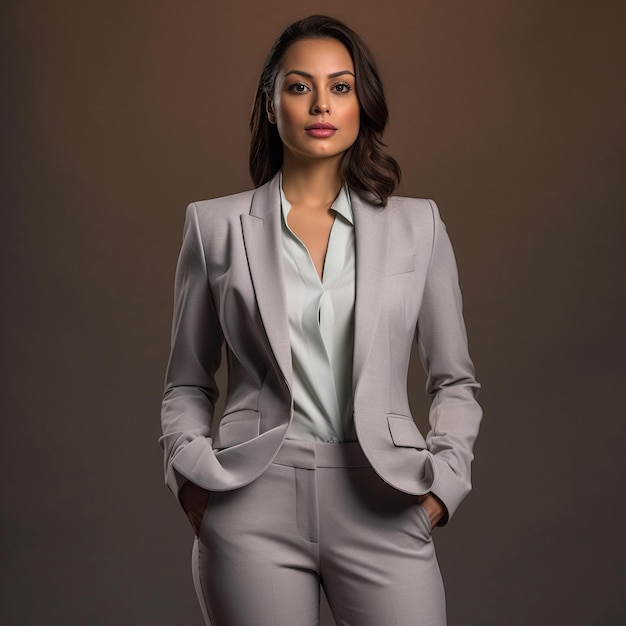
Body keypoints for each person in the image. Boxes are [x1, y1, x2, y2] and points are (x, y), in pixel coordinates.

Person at [160, 14, 482, 626]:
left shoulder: (420, 226)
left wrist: (444, 486)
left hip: (383, 497)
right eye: (298, 85)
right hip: (251, 500)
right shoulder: (213, 227)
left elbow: (454, 381)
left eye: (340, 86)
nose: (320, 104)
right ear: (271, 99)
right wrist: (191, 476)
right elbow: (186, 381)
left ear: (363, 101)